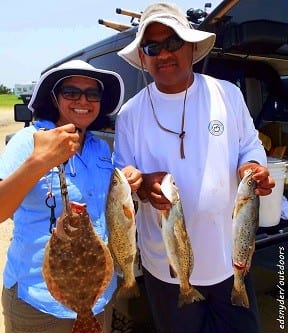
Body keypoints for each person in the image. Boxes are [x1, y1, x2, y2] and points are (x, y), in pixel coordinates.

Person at [113, 3, 275, 333]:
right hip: (166, 264)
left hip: (229, 257)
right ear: (143, 57)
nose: (164, 54)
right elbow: (122, 177)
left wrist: (253, 166)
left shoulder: (226, 94)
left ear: (191, 47)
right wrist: (141, 184)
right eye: (152, 47)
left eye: (172, 43)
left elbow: (250, 145)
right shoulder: (130, 113)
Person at [0, 59, 141, 333]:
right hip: (40, 301)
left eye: (93, 94)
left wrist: (128, 179)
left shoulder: (100, 148)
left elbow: (109, 201)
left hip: (99, 296)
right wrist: (38, 162)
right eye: (71, 92)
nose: (83, 101)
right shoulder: (28, 141)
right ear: (54, 98)